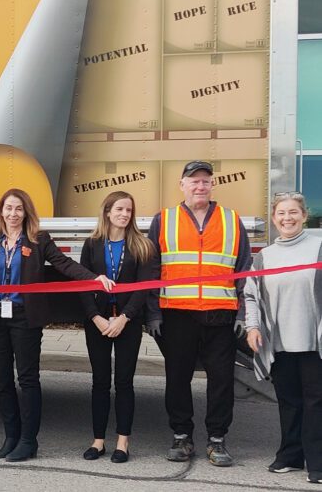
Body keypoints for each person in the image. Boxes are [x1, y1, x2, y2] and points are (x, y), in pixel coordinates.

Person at [0, 188, 114, 462]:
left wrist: (94, 278)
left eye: (18, 208)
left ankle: (29, 441)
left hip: (25, 318)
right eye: (8, 208)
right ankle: (11, 436)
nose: (13, 213)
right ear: (1, 211)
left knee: (27, 380)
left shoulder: (38, 240)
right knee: (2, 380)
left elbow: (64, 264)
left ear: (26, 212)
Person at [147, 160, 251, 467]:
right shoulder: (163, 219)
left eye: (205, 181)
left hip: (221, 313)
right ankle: (182, 436)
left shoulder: (231, 220)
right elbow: (152, 269)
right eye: (194, 181)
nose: (200, 186)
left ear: (212, 185)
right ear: (182, 185)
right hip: (177, 314)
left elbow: (243, 268)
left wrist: (244, 312)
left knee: (221, 379)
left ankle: (217, 439)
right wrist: (152, 313)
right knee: (177, 377)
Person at [243, 191, 322, 484]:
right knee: (289, 400)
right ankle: (290, 456)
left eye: (293, 213)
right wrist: (252, 327)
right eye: (281, 214)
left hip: (314, 341)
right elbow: (251, 295)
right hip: (278, 341)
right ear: (274, 219)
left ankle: (318, 462)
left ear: (304, 216)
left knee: (316, 401)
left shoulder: (318, 247)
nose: (287, 218)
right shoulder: (265, 256)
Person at [78, 191, 158, 464]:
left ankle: (123, 442)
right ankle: (98, 441)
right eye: (120, 209)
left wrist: (124, 318)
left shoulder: (142, 245)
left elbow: (143, 289)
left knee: (124, 382)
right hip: (98, 322)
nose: (125, 214)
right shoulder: (92, 244)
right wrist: (95, 318)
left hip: (128, 323)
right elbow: (83, 285)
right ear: (108, 212)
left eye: (129, 210)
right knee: (99, 382)